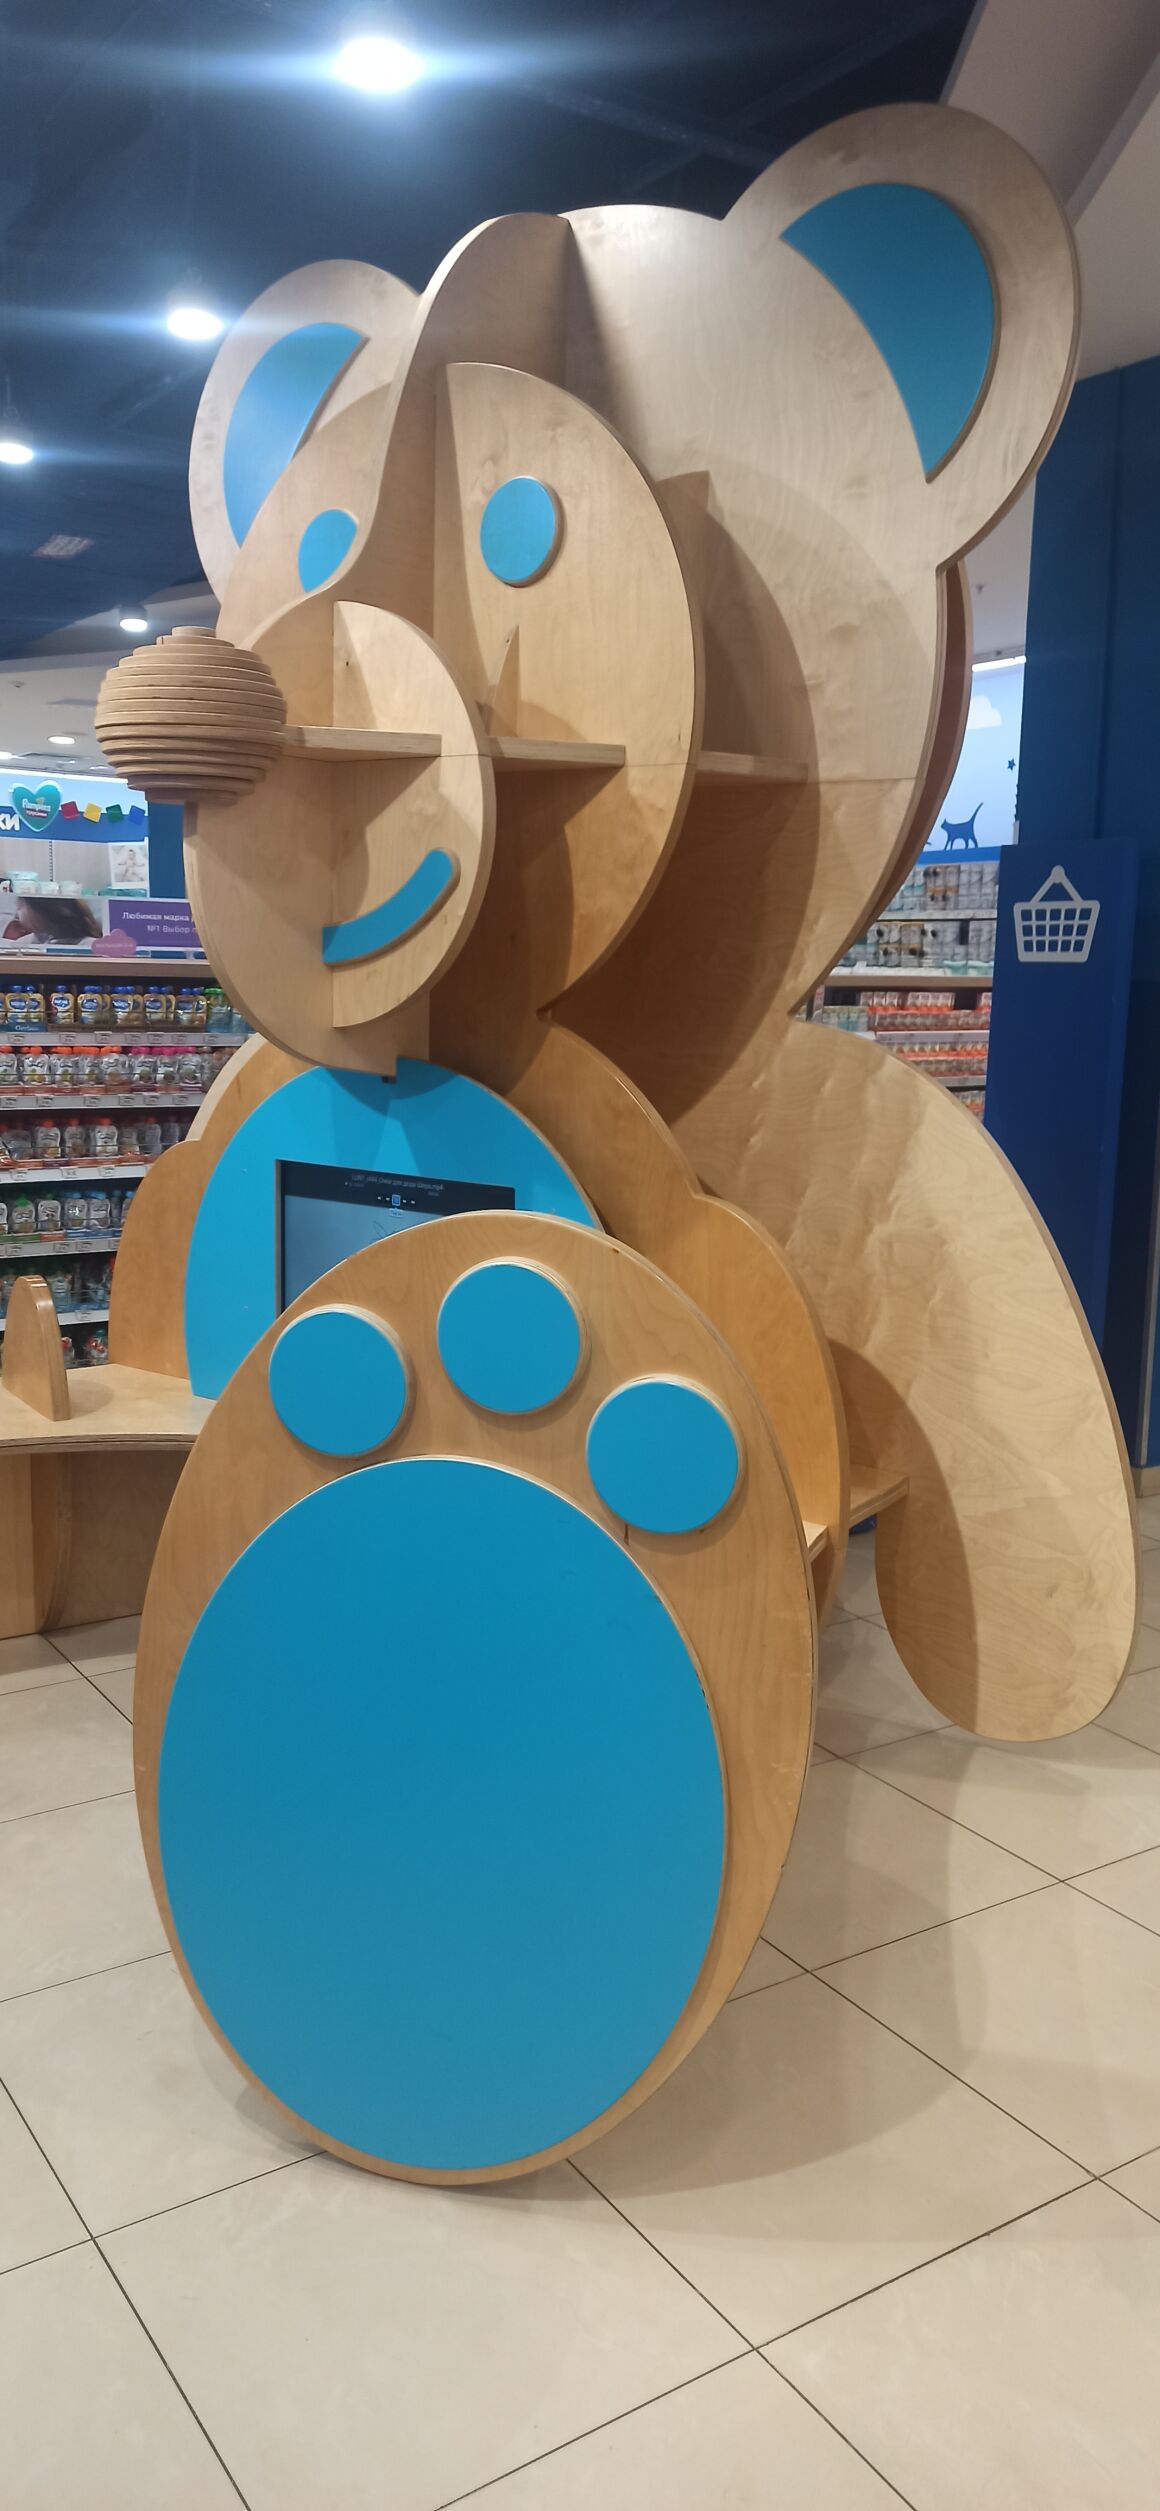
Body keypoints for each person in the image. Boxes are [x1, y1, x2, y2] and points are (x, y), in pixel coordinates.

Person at [0, 892, 101, 944]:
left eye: (20, 907)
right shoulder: (37, 938)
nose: (16, 914)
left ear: (38, 911)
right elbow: (12, 947)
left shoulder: (87, 944)